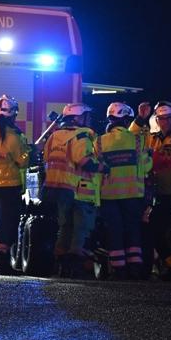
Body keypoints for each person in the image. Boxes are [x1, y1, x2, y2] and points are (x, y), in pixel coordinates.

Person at [43, 103, 101, 278]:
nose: (88, 120)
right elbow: (84, 161)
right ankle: (76, 266)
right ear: (78, 117)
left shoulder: (54, 136)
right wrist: (104, 167)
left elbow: (46, 158)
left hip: (57, 188)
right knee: (81, 229)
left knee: (65, 227)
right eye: (86, 117)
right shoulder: (82, 136)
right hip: (77, 189)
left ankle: (61, 265)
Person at [97, 102, 152, 279]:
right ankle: (135, 269)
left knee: (114, 231)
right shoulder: (137, 140)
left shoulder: (99, 141)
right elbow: (147, 166)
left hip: (108, 195)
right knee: (132, 230)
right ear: (126, 119)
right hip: (133, 194)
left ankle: (118, 270)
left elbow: (96, 170)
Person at [0, 95, 30, 275]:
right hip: (9, 186)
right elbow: (22, 161)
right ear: (12, 115)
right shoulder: (13, 136)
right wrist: (29, 151)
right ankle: (2, 264)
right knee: (7, 224)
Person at [134, 101, 171, 278]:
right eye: (161, 119)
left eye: (168, 119)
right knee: (154, 230)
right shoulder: (152, 138)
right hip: (156, 193)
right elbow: (132, 137)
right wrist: (140, 118)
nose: (164, 123)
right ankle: (169, 264)